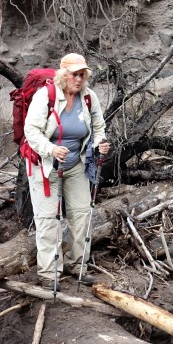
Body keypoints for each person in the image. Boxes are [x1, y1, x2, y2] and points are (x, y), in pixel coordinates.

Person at [24, 53, 110, 288]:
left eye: (82, 75)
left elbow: (98, 126)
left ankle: (76, 264)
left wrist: (99, 143)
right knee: (48, 219)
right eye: (74, 74)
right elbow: (31, 130)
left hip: (75, 165)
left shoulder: (89, 98)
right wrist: (51, 149)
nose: (79, 79)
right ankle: (49, 273)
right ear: (63, 75)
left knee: (82, 213)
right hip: (45, 166)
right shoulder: (46, 96)